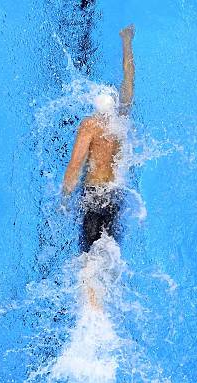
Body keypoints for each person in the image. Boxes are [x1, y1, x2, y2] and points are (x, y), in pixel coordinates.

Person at [62, 24, 135, 253]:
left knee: (89, 261)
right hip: (115, 196)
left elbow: (75, 165)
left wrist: (64, 199)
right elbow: (129, 78)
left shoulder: (90, 125)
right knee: (110, 255)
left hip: (94, 196)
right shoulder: (121, 119)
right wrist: (126, 42)